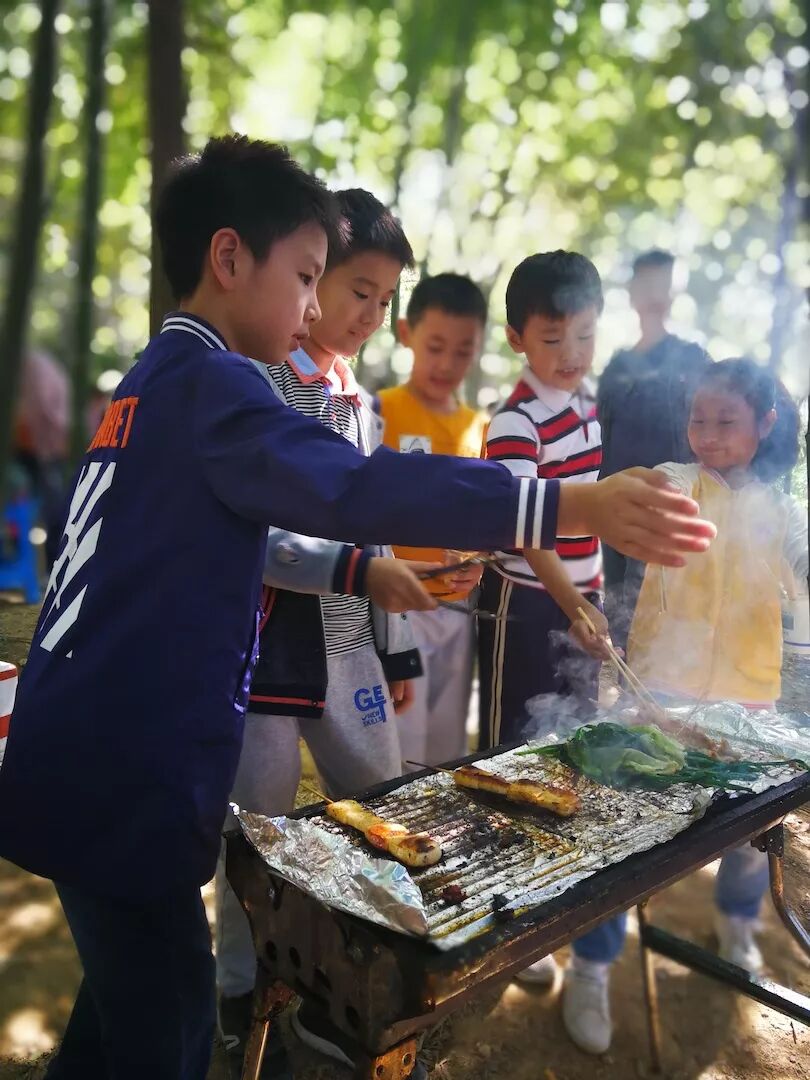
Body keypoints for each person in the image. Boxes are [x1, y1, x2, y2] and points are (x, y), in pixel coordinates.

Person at [0, 134, 714, 1080]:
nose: (312, 303)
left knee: (118, 1019)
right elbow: (355, 488)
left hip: (77, 752)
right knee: (167, 1033)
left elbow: (229, 537)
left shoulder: (152, 382)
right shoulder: (216, 385)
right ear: (227, 259)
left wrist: (353, 575)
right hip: (127, 776)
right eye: (305, 275)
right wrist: (565, 501)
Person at [215, 189, 435, 1075]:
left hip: (350, 645)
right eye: (354, 289)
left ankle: (350, 986)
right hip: (263, 650)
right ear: (308, 279)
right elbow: (257, 536)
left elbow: (370, 522)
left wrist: (398, 646)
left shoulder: (362, 400)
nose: (368, 314)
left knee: (379, 810)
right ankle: (240, 988)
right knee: (253, 834)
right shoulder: (260, 379)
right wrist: (355, 569)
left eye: (385, 299)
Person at [477, 251, 627, 1054]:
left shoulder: (590, 406)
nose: (571, 352)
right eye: (553, 336)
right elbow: (522, 524)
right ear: (517, 338)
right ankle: (515, 924)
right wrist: (572, 602)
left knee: (572, 760)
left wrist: (592, 601)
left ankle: (559, 924)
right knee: (513, 760)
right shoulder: (515, 419)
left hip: (582, 603)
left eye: (585, 334)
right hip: (524, 604)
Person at [377, 273, 489, 766]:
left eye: (462, 351)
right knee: (403, 743)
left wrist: (479, 561)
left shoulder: (480, 428)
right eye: (435, 346)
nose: (447, 364)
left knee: (446, 747)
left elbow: (485, 516)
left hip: (459, 609)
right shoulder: (379, 413)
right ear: (407, 333)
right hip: (400, 608)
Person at [597, 249, 711, 650]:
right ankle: (634, 710)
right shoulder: (614, 369)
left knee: (666, 630)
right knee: (623, 627)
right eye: (647, 283)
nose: (655, 294)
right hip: (616, 512)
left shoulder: (694, 360)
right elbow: (601, 446)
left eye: (664, 284)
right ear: (631, 292)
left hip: (671, 512)